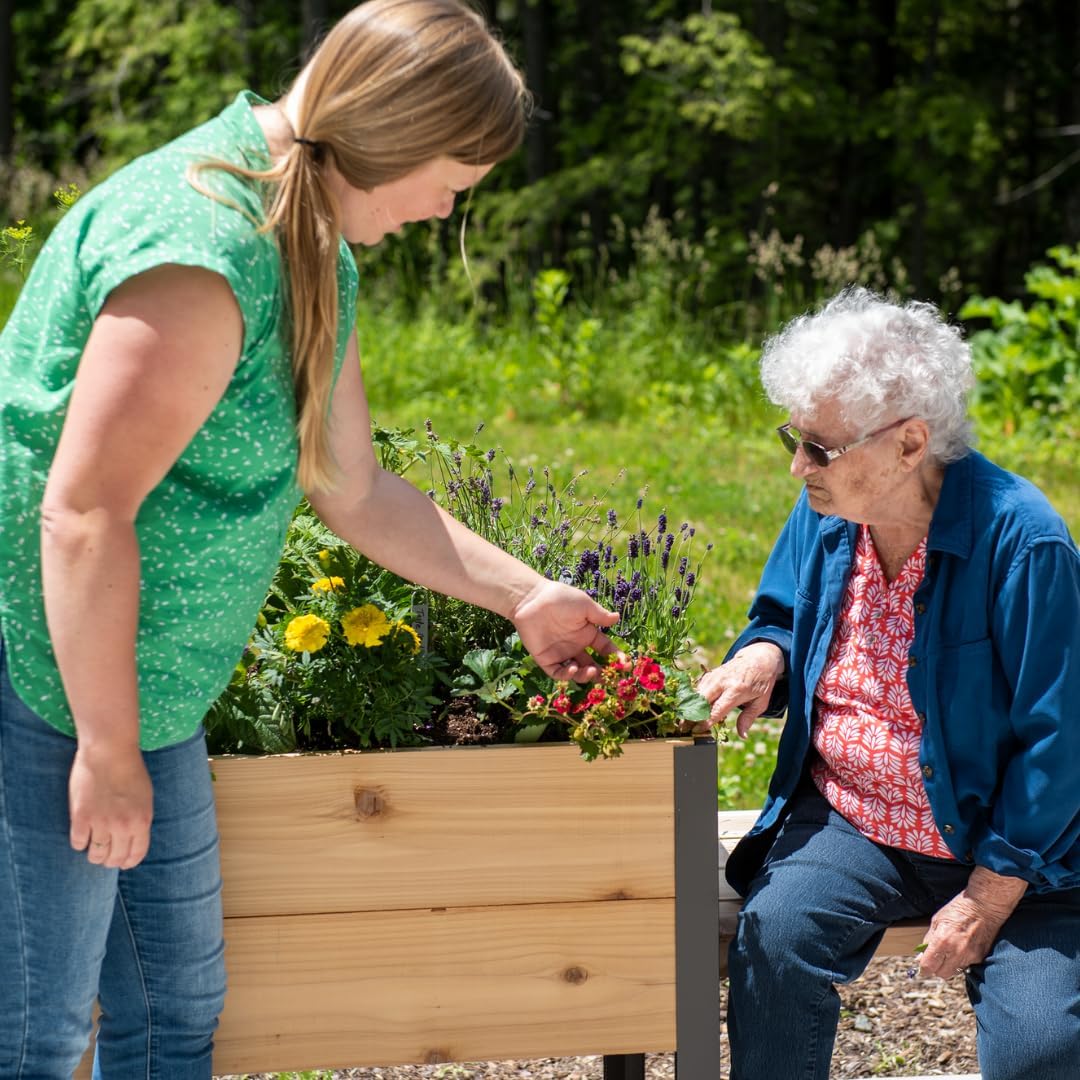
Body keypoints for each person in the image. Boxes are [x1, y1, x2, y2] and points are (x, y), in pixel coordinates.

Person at [0, 2, 620, 1075]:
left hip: (147, 683)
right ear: (397, 132)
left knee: (175, 1010)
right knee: (37, 1037)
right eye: (453, 184)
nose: (443, 211)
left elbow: (352, 486)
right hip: (50, 677)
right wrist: (103, 749)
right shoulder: (203, 254)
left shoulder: (308, 243)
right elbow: (82, 513)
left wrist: (523, 596)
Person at [697, 286, 1080, 1080]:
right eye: (793, 440)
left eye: (821, 448)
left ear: (911, 443)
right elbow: (777, 613)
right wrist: (766, 655)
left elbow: (1062, 735)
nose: (800, 465)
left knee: (1041, 1050)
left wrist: (990, 893)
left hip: (1020, 855)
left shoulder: (1025, 542)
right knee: (774, 942)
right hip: (855, 822)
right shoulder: (830, 506)